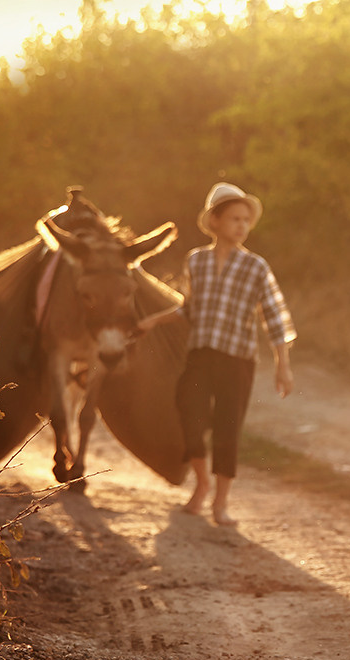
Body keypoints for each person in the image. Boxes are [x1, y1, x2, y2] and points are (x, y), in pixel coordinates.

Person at [138, 182, 296, 525]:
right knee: (189, 412)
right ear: (215, 221)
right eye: (234, 219)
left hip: (237, 360)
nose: (242, 226)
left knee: (228, 428)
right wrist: (153, 320)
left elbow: (275, 318)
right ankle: (202, 483)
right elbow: (189, 308)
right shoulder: (196, 261)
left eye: (246, 220)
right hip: (201, 355)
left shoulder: (256, 267)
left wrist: (283, 365)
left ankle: (220, 502)